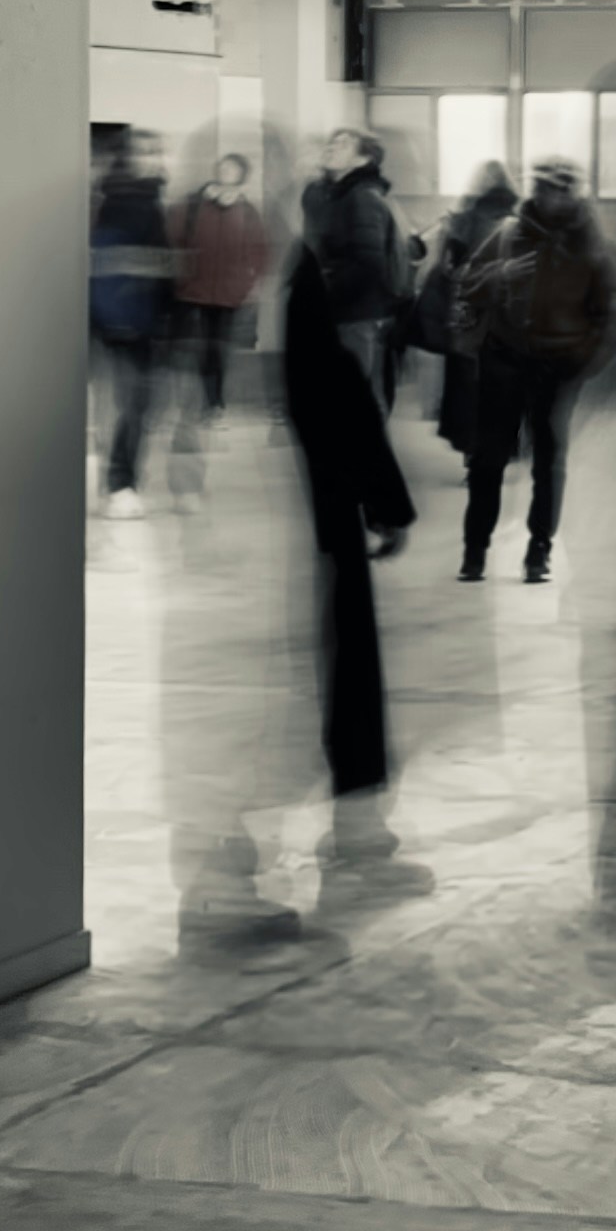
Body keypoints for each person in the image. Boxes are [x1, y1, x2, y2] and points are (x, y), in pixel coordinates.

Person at [280, 244, 428, 912]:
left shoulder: (285, 318)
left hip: (285, 529)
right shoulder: (322, 344)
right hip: (330, 528)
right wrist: (388, 507)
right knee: (348, 666)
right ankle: (359, 831)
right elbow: (350, 409)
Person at [453, 158, 616, 584]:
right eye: (545, 187)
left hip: (557, 369)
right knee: (488, 459)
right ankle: (475, 549)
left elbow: (609, 318)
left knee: (548, 462)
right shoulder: (508, 234)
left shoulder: (596, 247)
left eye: (562, 188)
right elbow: (467, 283)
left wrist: (580, 363)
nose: (552, 195)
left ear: (576, 193)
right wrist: (499, 274)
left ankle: (538, 549)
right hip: (504, 360)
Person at [88, 126, 174, 520]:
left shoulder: (149, 198)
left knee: (135, 407)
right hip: (124, 324)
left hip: (144, 323)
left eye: (155, 150)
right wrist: (121, 317)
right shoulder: (122, 200)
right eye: (143, 151)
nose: (151, 158)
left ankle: (121, 483)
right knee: (128, 406)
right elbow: (109, 262)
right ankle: (119, 485)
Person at [300, 127, 411, 410]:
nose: (331, 147)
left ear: (362, 160)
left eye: (344, 144)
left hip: (358, 314)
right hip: (346, 311)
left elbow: (369, 263)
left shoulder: (363, 197)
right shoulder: (333, 194)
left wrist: (328, 290)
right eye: (332, 142)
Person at [420, 160, 518, 451]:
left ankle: (469, 443)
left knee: (465, 376)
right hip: (504, 310)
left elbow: (447, 265)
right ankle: (502, 442)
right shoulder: (518, 218)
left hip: (468, 306)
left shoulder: (463, 218)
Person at [170, 152, 270, 428]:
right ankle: (184, 405)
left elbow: (259, 251)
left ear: (241, 175)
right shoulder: (194, 205)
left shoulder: (247, 212)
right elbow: (175, 240)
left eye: (233, 168)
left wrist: (246, 284)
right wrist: (180, 279)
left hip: (227, 296)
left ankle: (213, 404)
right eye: (223, 167)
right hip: (191, 291)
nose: (226, 172)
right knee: (185, 348)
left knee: (215, 350)